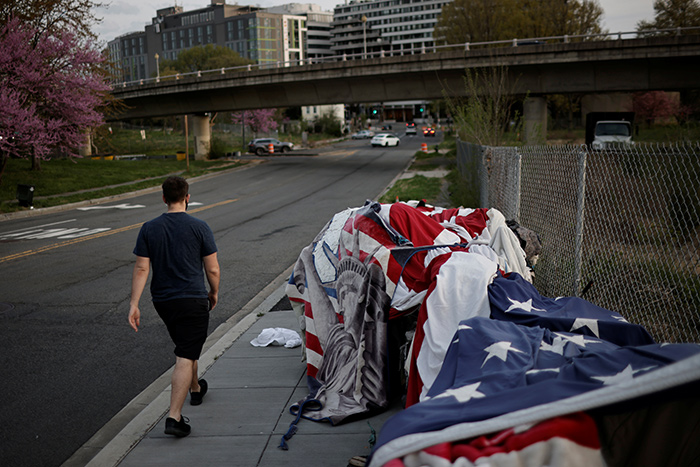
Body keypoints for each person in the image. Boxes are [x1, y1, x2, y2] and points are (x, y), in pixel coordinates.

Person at [128, 176, 220, 437]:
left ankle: (195, 389)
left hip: (163, 302)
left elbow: (142, 267)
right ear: (187, 198)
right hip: (192, 299)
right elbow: (212, 268)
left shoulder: (149, 228)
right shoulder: (199, 227)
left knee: (185, 346)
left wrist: (134, 304)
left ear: (164, 198)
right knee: (185, 355)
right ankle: (174, 417)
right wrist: (213, 292)